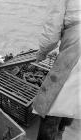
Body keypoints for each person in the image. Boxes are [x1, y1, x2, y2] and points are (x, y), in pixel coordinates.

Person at [31, 0, 81, 140]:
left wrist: (42, 53)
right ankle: (60, 132)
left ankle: (53, 134)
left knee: (52, 104)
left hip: (76, 46)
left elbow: (52, 31)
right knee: (72, 98)